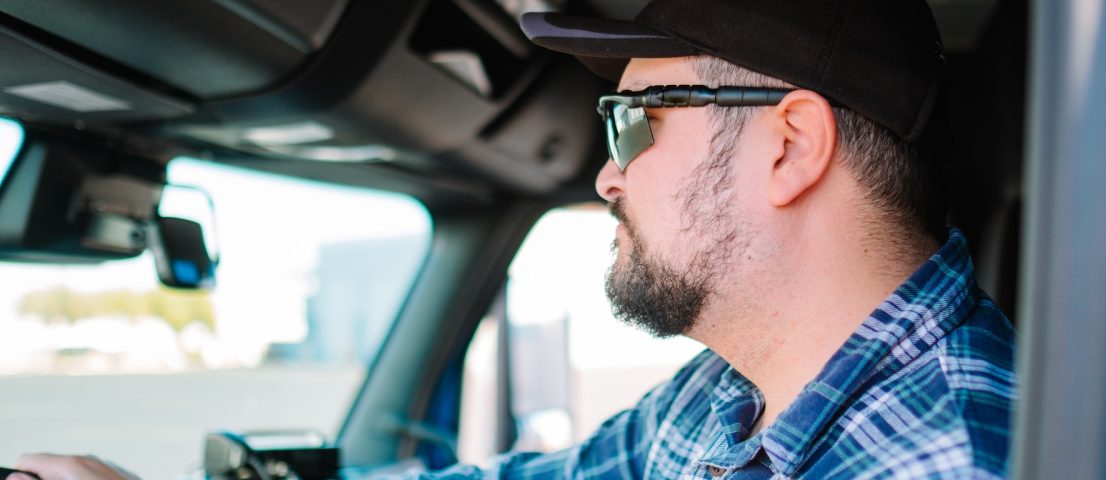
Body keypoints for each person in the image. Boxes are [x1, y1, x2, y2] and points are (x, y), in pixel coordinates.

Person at [14, 0, 1016, 478]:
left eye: (635, 123)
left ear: (791, 147)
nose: (606, 173)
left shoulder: (938, 459)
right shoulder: (732, 395)